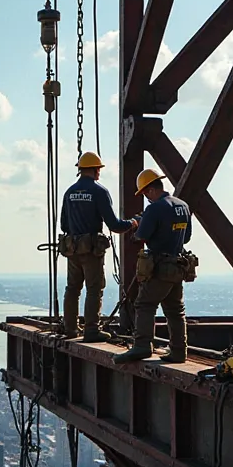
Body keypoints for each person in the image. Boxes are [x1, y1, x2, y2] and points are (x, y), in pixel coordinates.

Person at [114, 168, 193, 364]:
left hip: (160, 267)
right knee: (175, 309)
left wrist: (139, 225)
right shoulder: (182, 205)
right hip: (178, 265)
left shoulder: (155, 208)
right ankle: (178, 351)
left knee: (145, 304)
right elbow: (187, 237)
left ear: (150, 190)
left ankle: (141, 346)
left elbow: (141, 236)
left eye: (145, 194)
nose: (146, 199)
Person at [59, 152, 138, 342]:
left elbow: (64, 225)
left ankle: (70, 328)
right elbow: (115, 225)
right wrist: (133, 223)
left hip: (73, 249)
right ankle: (91, 330)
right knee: (94, 288)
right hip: (91, 250)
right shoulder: (99, 191)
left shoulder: (69, 192)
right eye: (98, 170)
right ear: (95, 170)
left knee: (72, 288)